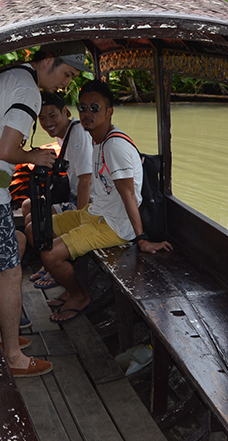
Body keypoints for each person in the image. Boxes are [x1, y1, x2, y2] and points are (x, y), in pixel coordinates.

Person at [0, 42, 90, 377]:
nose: (66, 83)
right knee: (10, 271)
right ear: (50, 61)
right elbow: (7, 149)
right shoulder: (28, 91)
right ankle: (13, 356)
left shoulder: (7, 76)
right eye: (67, 74)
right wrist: (35, 157)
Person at [28, 80, 172, 323]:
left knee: (50, 255)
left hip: (114, 225)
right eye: (83, 108)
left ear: (109, 111)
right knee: (35, 229)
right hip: (95, 213)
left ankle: (79, 295)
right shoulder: (97, 139)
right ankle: (69, 285)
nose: (87, 114)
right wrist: (81, 215)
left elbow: (128, 194)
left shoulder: (115, 145)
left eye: (94, 108)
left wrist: (142, 240)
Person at [23, 91, 92, 289]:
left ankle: (54, 264)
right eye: (42, 118)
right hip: (72, 196)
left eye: (52, 116)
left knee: (32, 227)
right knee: (29, 207)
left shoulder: (78, 133)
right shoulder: (65, 134)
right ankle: (49, 263)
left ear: (65, 112)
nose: (47, 123)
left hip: (88, 202)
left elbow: (85, 180)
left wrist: (80, 220)